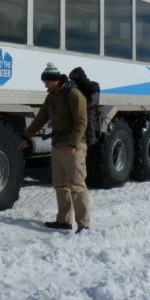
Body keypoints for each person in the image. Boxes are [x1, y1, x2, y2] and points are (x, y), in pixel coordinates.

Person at [18, 62, 90, 233]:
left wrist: (73, 144)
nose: (45, 85)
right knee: (60, 185)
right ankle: (64, 220)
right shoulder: (51, 96)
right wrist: (26, 136)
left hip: (74, 146)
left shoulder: (73, 94)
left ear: (56, 80)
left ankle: (84, 225)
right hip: (58, 145)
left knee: (77, 185)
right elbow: (40, 118)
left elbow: (82, 121)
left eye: (47, 82)